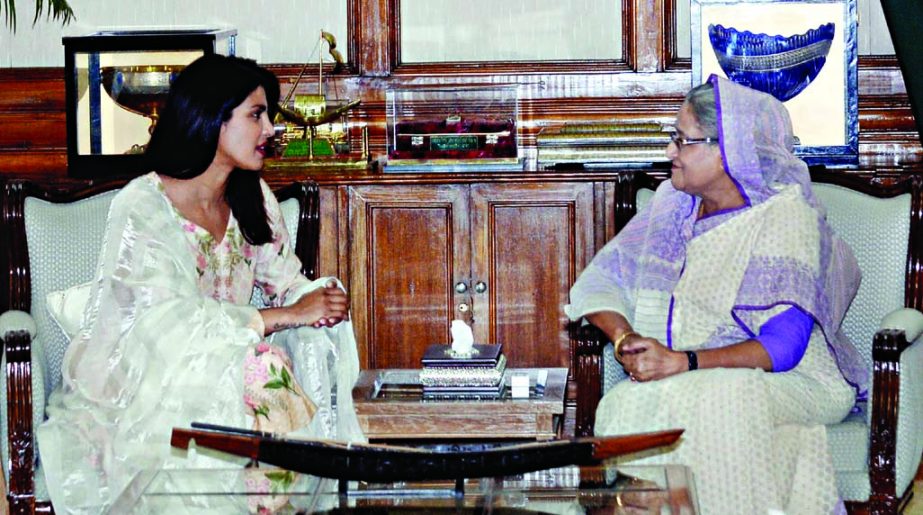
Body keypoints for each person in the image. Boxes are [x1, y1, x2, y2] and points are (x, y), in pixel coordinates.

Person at [36, 54, 364, 513]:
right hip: (138, 390)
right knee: (262, 369)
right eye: (256, 114)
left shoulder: (252, 198)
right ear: (212, 120)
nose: (270, 129)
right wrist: (283, 316)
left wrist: (317, 299)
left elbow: (287, 281)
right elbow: (164, 323)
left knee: (260, 370)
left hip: (223, 371)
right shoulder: (144, 206)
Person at [566, 75, 866, 514]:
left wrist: (680, 361)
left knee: (725, 397)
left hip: (796, 379)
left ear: (728, 151)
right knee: (624, 402)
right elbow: (601, 282)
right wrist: (623, 337)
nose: (670, 152)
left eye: (683, 141)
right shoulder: (673, 204)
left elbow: (783, 348)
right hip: (693, 372)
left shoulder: (785, 217)